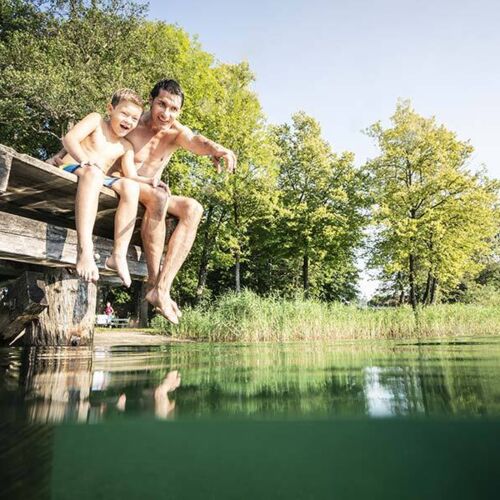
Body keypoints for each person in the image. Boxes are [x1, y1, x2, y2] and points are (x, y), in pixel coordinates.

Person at [50, 79, 236, 323]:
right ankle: (153, 279)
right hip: (120, 186)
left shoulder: (175, 132)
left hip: (148, 189)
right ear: (151, 100)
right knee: (159, 196)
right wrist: (60, 156)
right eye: (162, 104)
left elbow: (196, 141)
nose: (166, 113)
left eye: (174, 109)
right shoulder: (132, 123)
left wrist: (217, 148)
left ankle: (162, 288)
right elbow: (95, 137)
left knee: (194, 208)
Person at [59, 88, 168, 287]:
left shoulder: (125, 146)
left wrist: (151, 181)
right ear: (111, 109)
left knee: (130, 188)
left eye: (134, 118)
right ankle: (84, 249)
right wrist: (85, 160)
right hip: (73, 167)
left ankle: (118, 255)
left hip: (98, 178)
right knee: (94, 173)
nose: (128, 120)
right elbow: (70, 139)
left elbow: (132, 176)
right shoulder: (96, 121)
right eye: (124, 114)